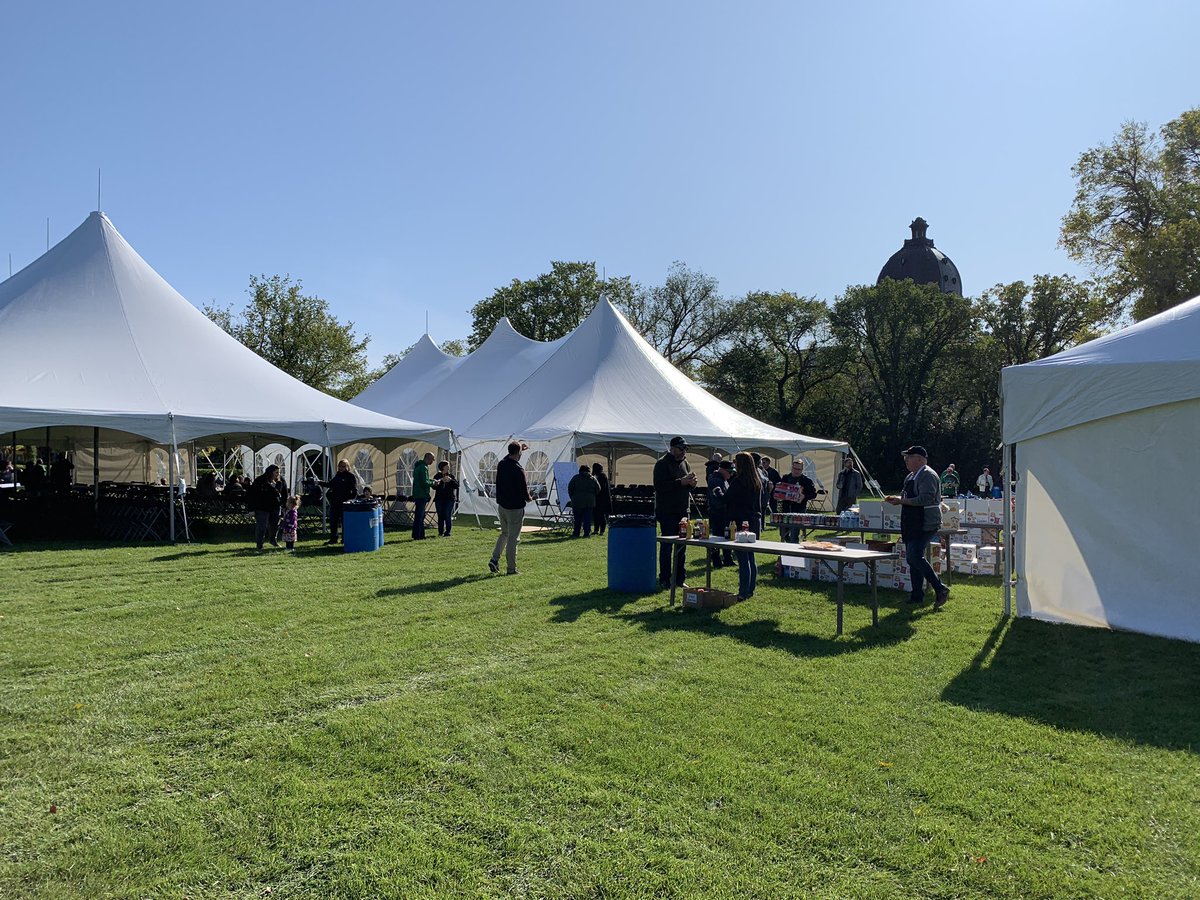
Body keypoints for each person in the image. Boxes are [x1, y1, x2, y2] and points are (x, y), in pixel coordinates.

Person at [886, 445, 950, 609]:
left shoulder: (928, 475)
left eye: (909, 456)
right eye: (906, 457)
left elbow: (926, 499)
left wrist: (901, 501)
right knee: (912, 557)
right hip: (912, 522)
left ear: (920, 459)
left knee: (914, 556)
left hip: (926, 522)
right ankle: (916, 596)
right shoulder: (911, 476)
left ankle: (940, 588)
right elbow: (906, 496)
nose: (906, 460)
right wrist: (896, 499)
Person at [652, 436, 696, 589]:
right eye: (682, 448)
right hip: (667, 511)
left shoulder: (686, 464)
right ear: (673, 449)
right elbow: (660, 486)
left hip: (683, 510)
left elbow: (686, 486)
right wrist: (681, 482)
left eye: (686, 449)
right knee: (667, 545)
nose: (684, 451)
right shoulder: (662, 464)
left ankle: (679, 578)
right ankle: (664, 578)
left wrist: (691, 484)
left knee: (682, 546)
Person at [725, 452, 763, 601]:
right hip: (754, 520)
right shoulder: (756, 480)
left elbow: (726, 498)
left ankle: (743, 591)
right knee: (751, 557)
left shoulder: (738, 481)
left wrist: (717, 492)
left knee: (742, 559)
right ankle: (750, 589)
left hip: (741, 522)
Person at [489, 441, 532, 575]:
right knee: (513, 538)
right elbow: (523, 489)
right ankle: (511, 569)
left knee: (505, 533)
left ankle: (494, 559)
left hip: (502, 506)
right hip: (515, 508)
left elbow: (508, 457)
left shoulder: (502, 464)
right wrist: (529, 498)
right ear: (518, 453)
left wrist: (519, 450)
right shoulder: (518, 469)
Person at [321, 459, 358, 544]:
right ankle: (333, 538)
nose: (341, 468)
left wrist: (350, 500)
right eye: (340, 466)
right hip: (335, 502)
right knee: (333, 521)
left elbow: (354, 491)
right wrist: (320, 482)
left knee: (345, 522)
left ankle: (345, 538)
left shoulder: (350, 476)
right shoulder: (337, 475)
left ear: (347, 467)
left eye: (343, 466)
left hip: (344, 503)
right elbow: (330, 484)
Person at [778, 459, 816, 542]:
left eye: (799, 469)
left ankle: (793, 551)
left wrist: (804, 496)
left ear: (802, 470)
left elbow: (813, 494)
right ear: (792, 468)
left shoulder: (806, 481)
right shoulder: (785, 478)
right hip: (786, 509)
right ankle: (786, 548)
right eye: (795, 469)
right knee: (783, 533)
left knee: (794, 533)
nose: (796, 471)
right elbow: (779, 491)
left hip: (799, 509)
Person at [706, 459, 735, 568]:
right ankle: (717, 561)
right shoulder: (715, 480)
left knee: (726, 536)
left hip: (724, 513)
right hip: (718, 513)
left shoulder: (723, 479)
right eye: (730, 472)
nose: (731, 474)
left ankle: (728, 559)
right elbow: (718, 499)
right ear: (722, 470)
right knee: (718, 538)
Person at [249, 464, 284, 550]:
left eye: (279, 472)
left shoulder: (280, 481)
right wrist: (252, 508)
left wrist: (283, 504)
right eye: (276, 472)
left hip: (275, 506)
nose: (278, 474)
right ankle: (259, 544)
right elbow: (253, 495)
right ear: (270, 472)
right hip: (262, 507)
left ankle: (273, 540)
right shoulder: (260, 481)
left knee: (275, 525)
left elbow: (283, 493)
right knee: (262, 526)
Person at [567, 464, 600, 538]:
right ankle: (586, 534)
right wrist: (592, 496)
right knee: (587, 519)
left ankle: (576, 533)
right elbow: (598, 489)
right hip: (589, 502)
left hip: (577, 502)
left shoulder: (576, 478)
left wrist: (572, 497)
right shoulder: (593, 479)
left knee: (577, 519)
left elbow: (570, 488)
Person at [410, 452, 435, 540]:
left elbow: (422, 480)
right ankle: (418, 535)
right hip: (422, 494)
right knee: (420, 516)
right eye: (432, 459)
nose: (433, 461)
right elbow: (425, 483)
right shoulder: (423, 467)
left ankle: (418, 534)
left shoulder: (417, 467)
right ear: (428, 458)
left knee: (419, 515)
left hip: (417, 494)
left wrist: (430, 480)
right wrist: (434, 482)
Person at [433, 460, 459, 537]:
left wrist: (450, 480)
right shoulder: (437, 476)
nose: (448, 466)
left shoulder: (451, 476)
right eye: (447, 465)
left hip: (449, 499)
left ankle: (447, 532)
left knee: (447, 515)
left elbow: (457, 486)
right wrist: (440, 481)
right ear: (443, 467)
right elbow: (434, 486)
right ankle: (440, 531)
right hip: (439, 498)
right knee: (440, 515)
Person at [591, 462, 611, 535]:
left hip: (602, 499)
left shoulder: (602, 476)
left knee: (601, 515)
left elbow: (602, 488)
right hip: (597, 498)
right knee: (596, 515)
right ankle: (596, 530)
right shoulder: (596, 476)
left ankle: (602, 530)